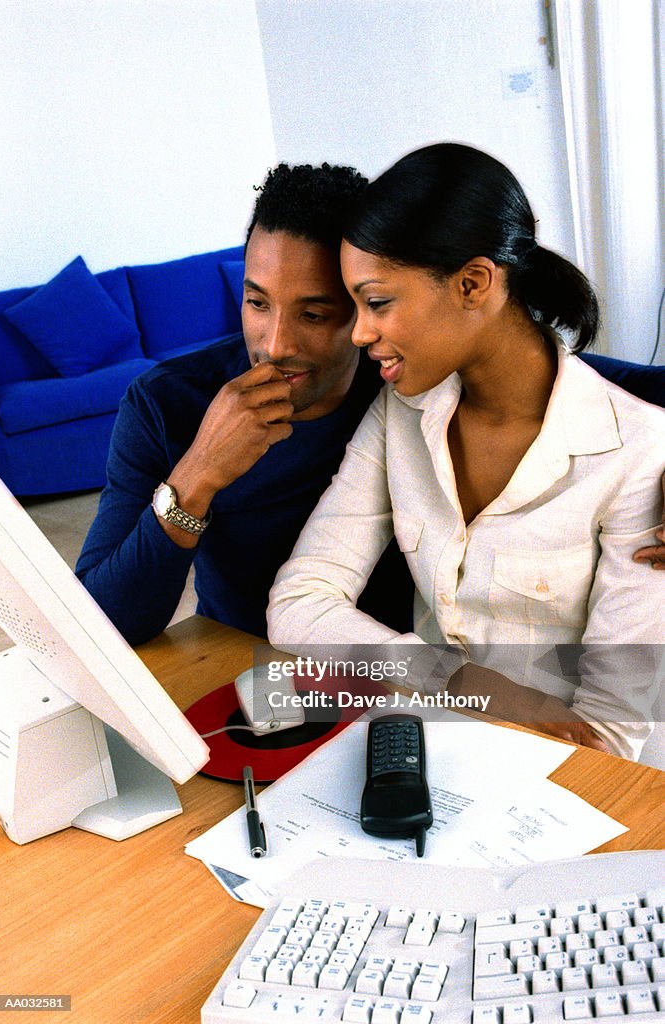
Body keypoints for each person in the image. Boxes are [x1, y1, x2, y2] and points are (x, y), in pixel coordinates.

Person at [267, 143, 665, 761]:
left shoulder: (636, 453)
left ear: (473, 283)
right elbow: (298, 603)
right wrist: (459, 681)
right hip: (439, 749)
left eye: (377, 302)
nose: (360, 333)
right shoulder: (401, 412)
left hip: (579, 781)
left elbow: (612, 735)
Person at [76, 163, 414, 645]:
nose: (275, 345)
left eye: (313, 314)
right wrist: (197, 475)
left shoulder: (402, 391)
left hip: (394, 667)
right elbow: (98, 626)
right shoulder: (165, 402)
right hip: (243, 663)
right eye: (258, 303)